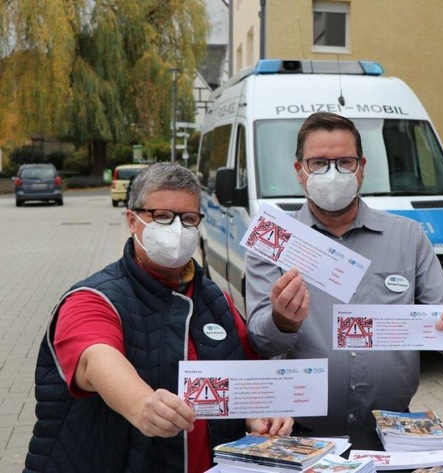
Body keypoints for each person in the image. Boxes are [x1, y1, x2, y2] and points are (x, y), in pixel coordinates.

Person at [24, 162, 293, 473]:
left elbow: (245, 373)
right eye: (162, 217)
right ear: (132, 221)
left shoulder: (214, 297)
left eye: (189, 219)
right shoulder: (93, 298)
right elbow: (96, 360)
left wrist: (258, 413)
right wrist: (141, 404)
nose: (177, 229)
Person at [245, 112, 443, 433]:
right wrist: (282, 320)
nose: (333, 173)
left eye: (345, 162)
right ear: (299, 171)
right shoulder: (273, 239)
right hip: (300, 431)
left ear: (362, 168)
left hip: (393, 431)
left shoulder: (408, 237)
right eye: (318, 163)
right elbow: (259, 340)